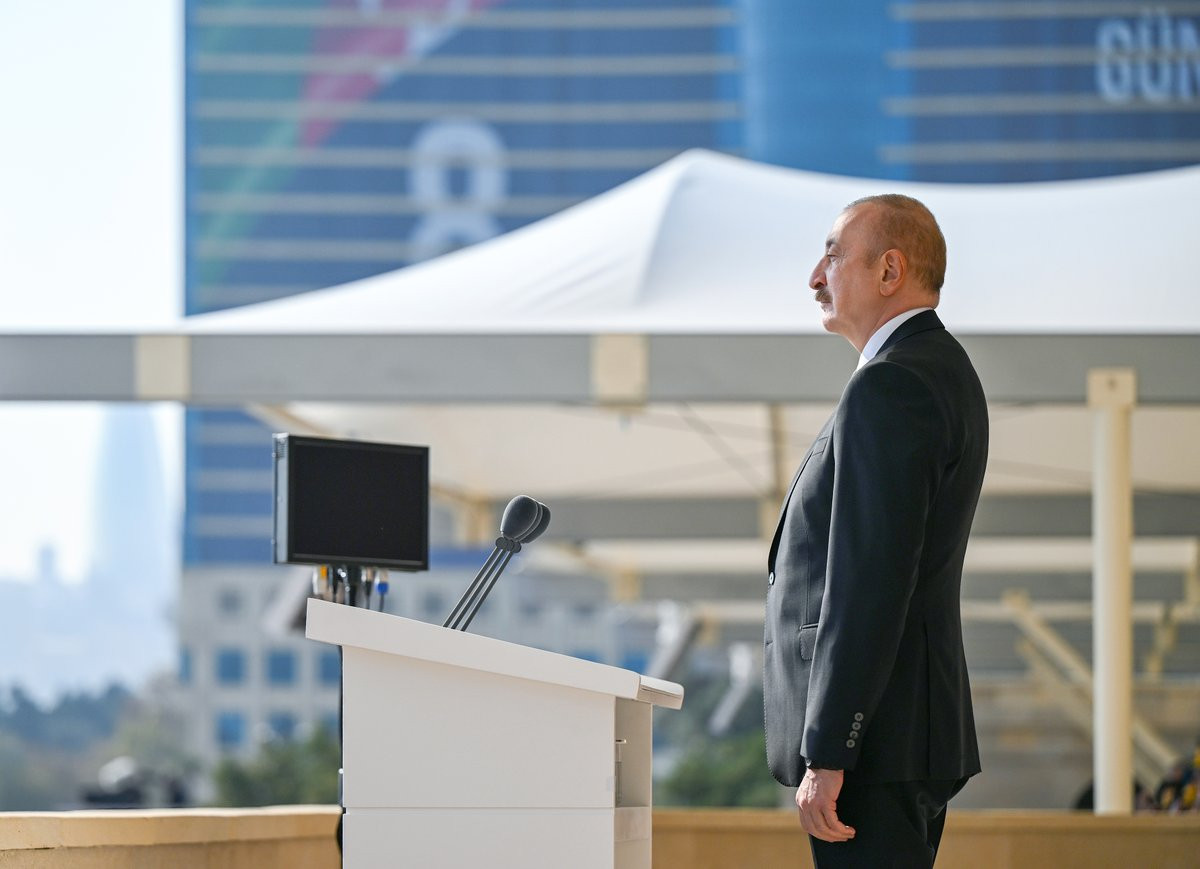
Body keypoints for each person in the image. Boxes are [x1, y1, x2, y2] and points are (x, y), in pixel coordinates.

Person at [763, 194, 989, 867]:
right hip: (901, 736)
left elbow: (870, 580)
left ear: (890, 271)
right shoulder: (937, 370)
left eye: (833, 256)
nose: (815, 277)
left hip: (875, 748)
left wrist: (832, 749)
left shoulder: (891, 384)